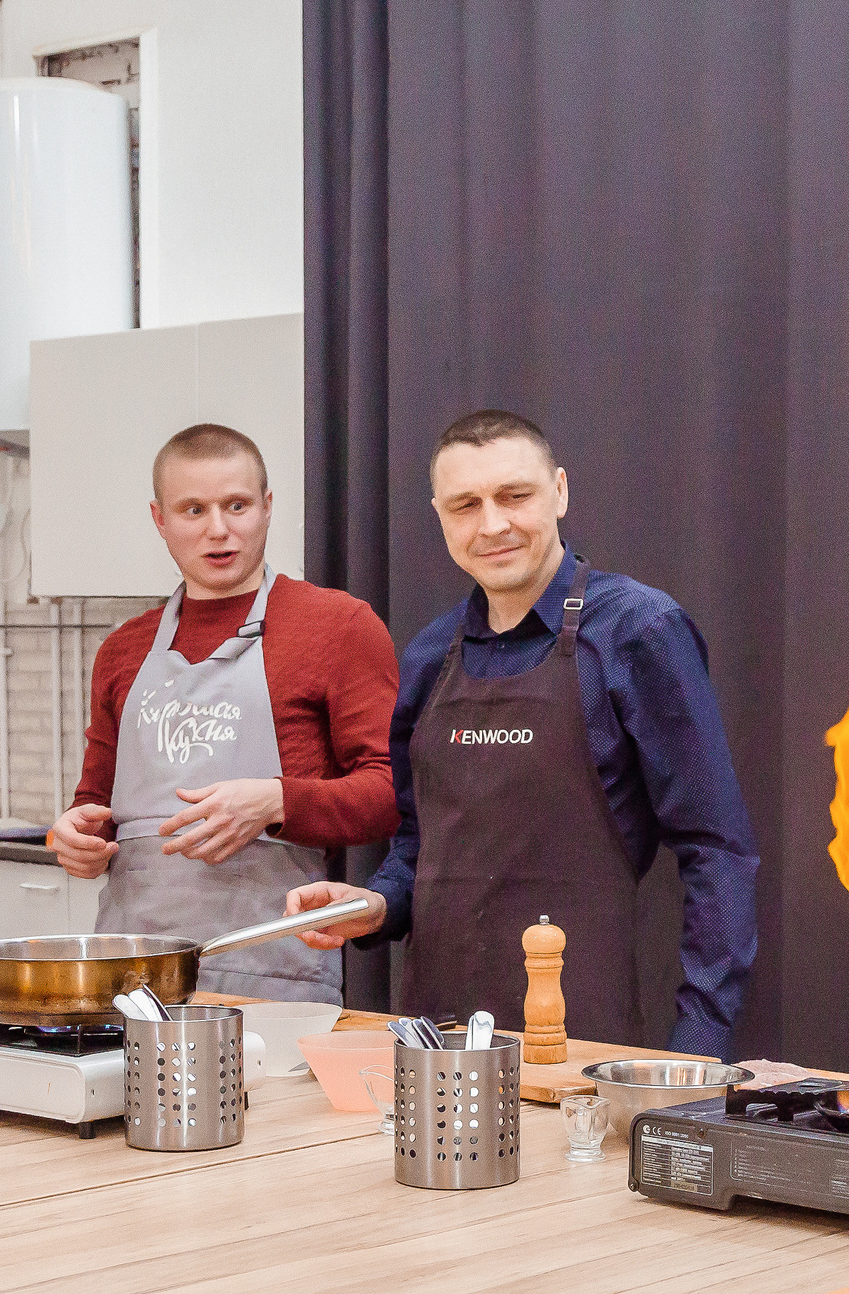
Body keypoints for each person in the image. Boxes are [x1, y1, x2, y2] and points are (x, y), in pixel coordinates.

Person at [284, 409, 760, 1058]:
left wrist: (698, 1040)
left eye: (515, 495)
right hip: (436, 1054)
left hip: (585, 1049)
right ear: (439, 514)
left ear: (559, 490)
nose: (493, 524)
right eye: (465, 504)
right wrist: (375, 903)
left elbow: (718, 850)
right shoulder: (428, 656)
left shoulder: (638, 634)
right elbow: (418, 848)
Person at [46, 424, 399, 1001]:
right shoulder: (123, 650)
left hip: (275, 978)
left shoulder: (338, 626)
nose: (218, 529)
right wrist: (74, 836)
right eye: (193, 510)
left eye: (236, 505)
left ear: (266, 508)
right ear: (160, 520)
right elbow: (95, 806)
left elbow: (392, 795)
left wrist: (276, 802)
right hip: (135, 973)